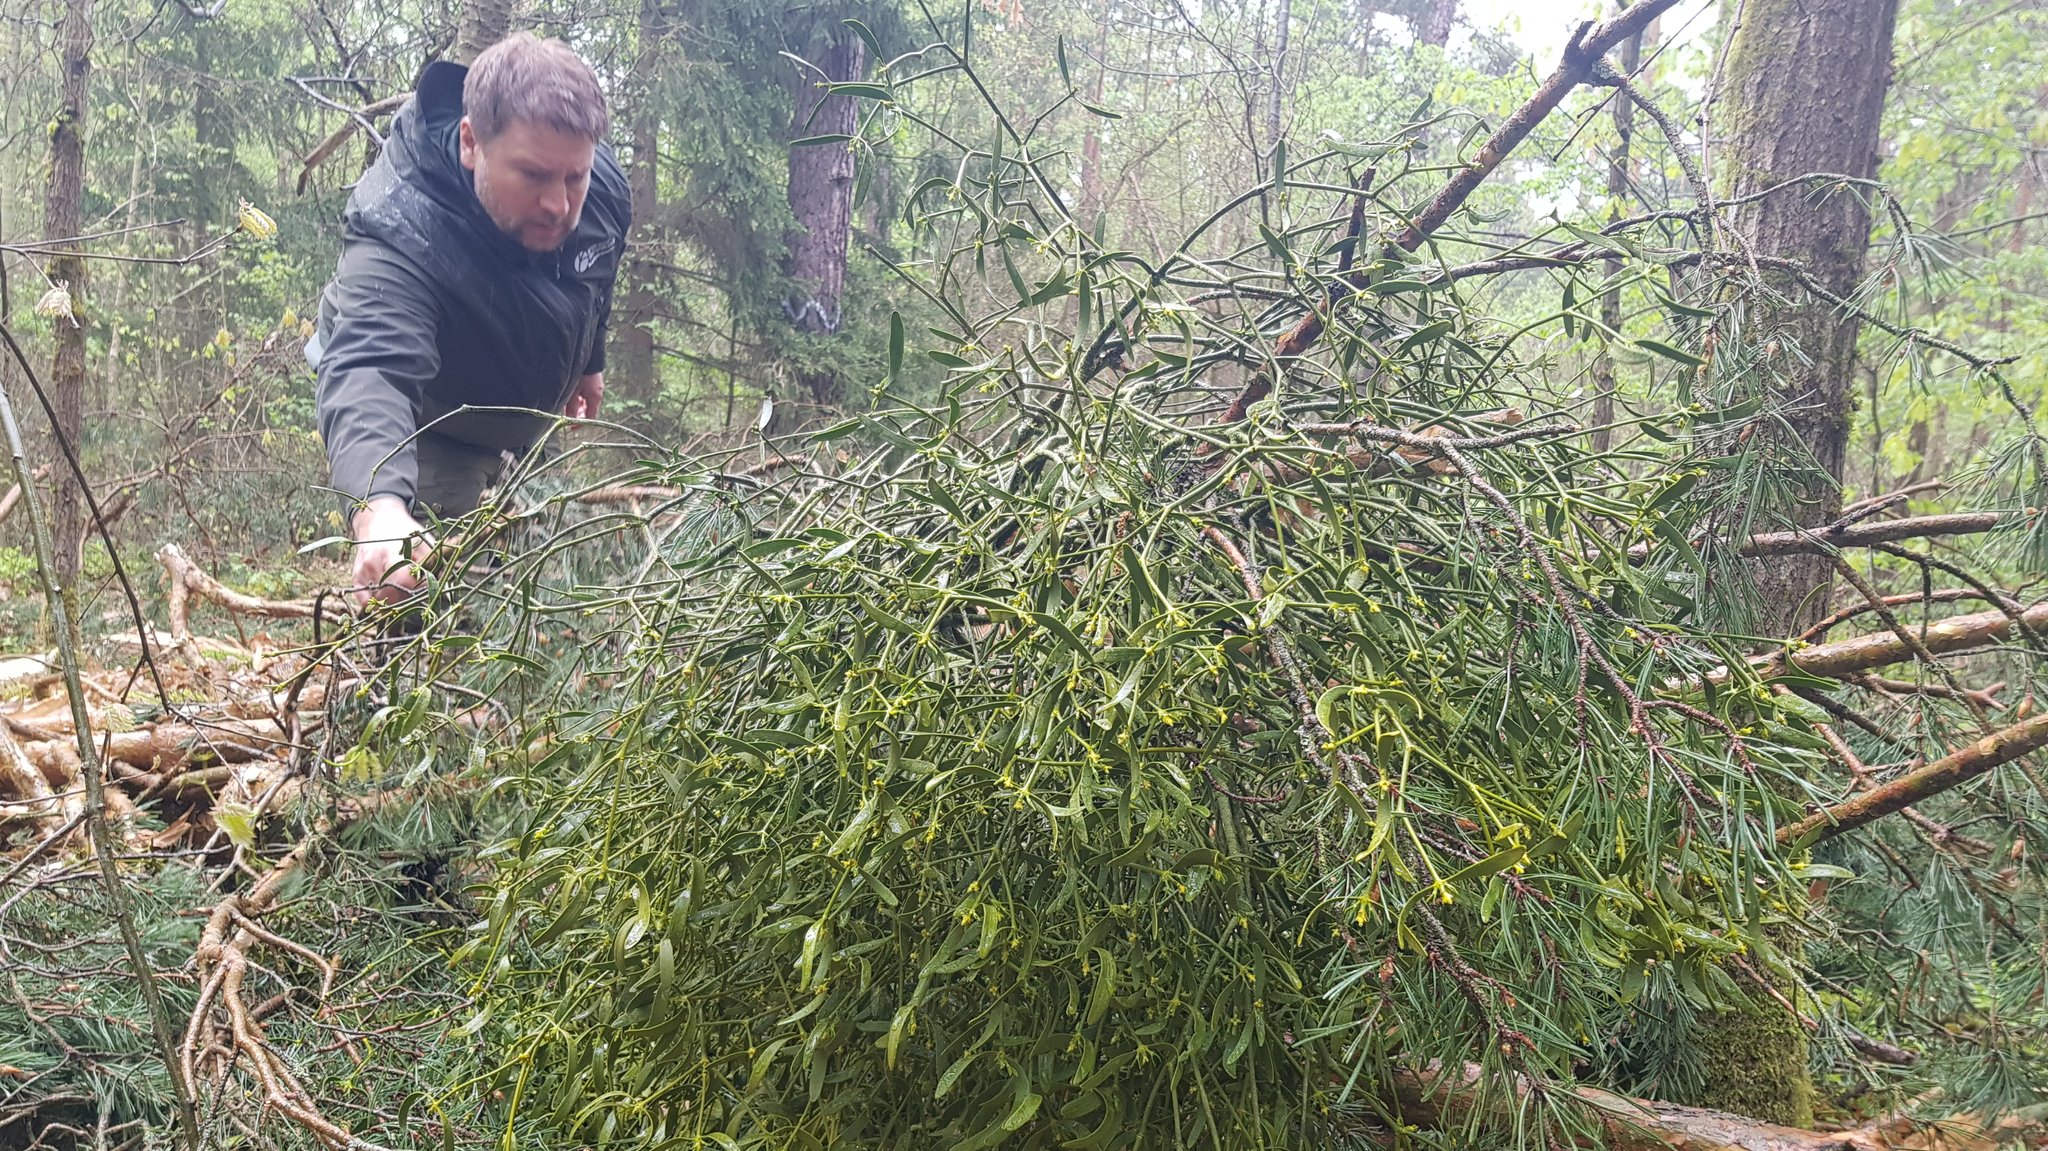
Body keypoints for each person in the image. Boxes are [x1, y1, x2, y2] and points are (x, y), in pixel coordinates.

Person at [307, 33, 630, 606]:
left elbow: (595, 271)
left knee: (529, 602)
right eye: (532, 176)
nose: (559, 204)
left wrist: (590, 362)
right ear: (470, 142)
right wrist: (381, 508)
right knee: (422, 600)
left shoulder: (598, 183)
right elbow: (370, 367)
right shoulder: (401, 224)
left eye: (573, 177)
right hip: (430, 428)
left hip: (523, 418)